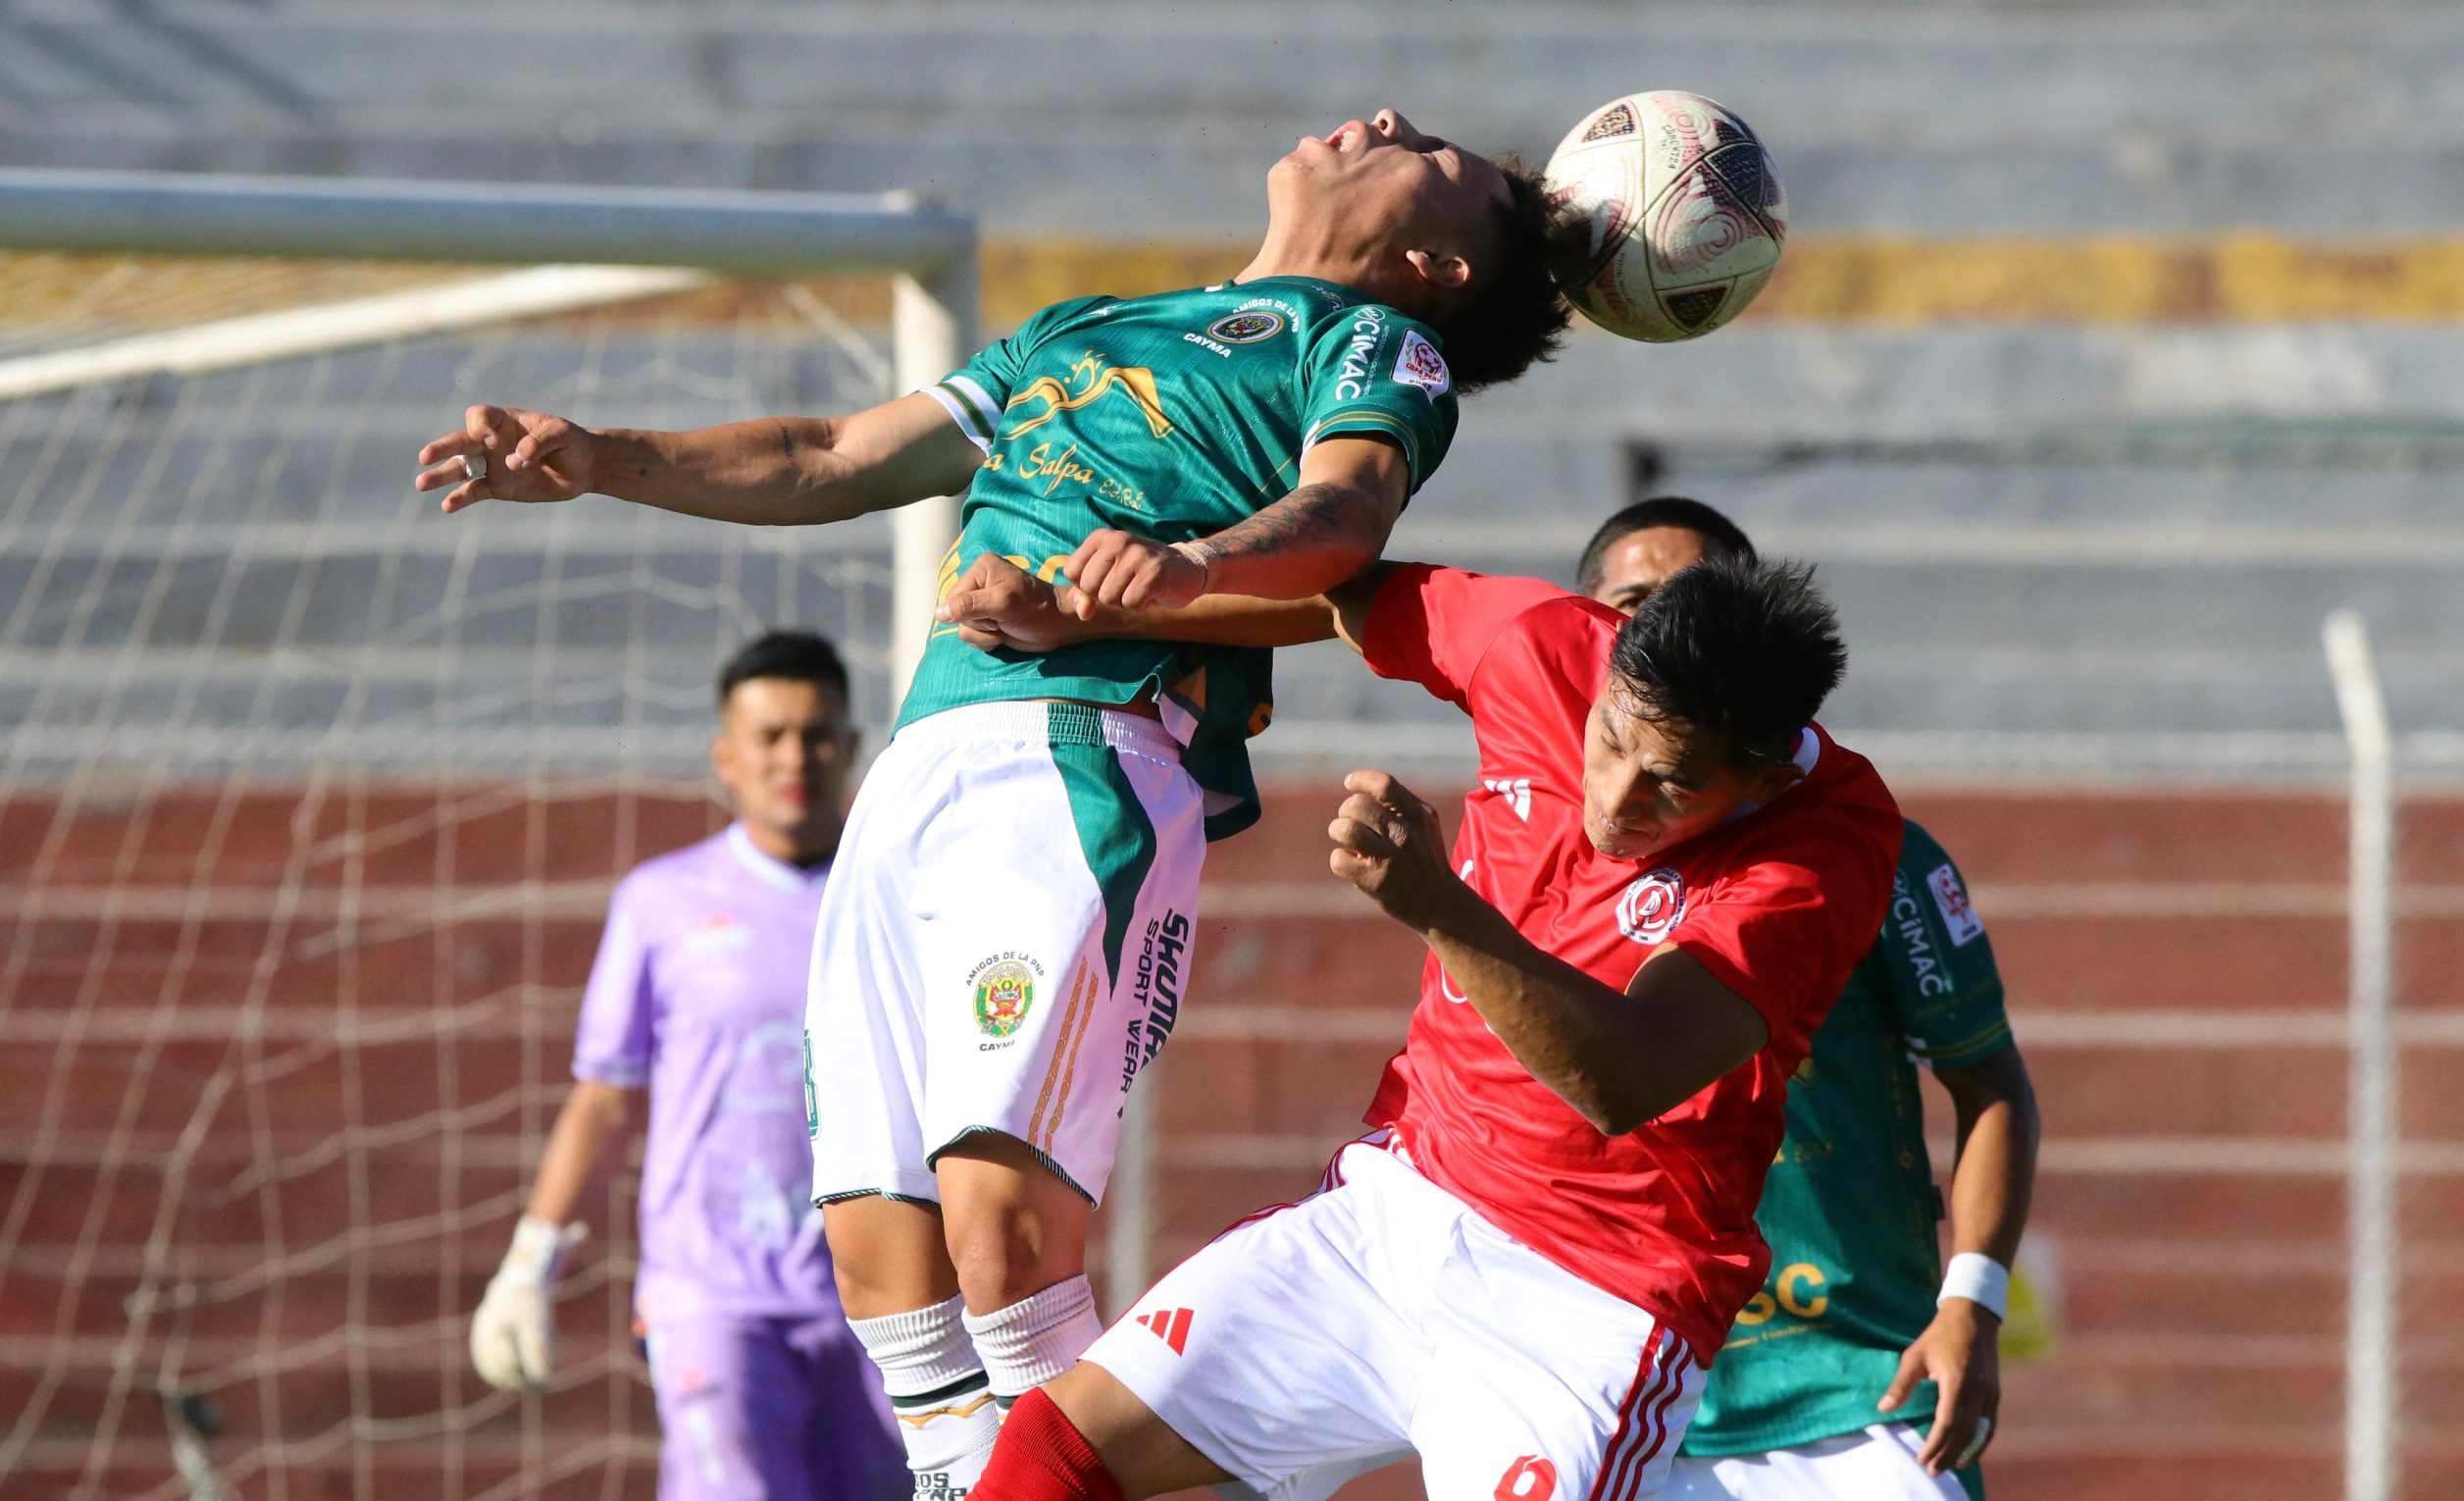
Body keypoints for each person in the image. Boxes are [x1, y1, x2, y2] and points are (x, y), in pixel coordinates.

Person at [420, 107, 1575, 1497]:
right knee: (876, 1244)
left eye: (1434, 152)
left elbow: (1345, 523)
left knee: (1001, 1226)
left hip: (1086, 758)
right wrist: (605, 456)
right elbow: (836, 455)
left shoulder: (1375, 347)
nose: (1385, 119)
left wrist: (1180, 564)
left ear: (1437, 266)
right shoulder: (1082, 323)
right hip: (920, 762)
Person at [936, 551, 1900, 1501]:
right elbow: (1338, 588)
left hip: (1588, 1296)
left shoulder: (1825, 847)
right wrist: (1076, 612)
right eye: (1610, 743)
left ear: (1763, 783)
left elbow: (1627, 1077)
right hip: (1396, 1208)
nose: (1616, 801)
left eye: (1673, 785)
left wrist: (1439, 904)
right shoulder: (1544, 644)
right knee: (1059, 1446)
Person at [1571, 498, 2044, 1501]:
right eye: (1630, 604)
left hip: (1855, 1394)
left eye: (1688, 601)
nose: (1661, 629)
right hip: (1618, 1395)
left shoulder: (1861, 860)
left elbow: (1988, 1079)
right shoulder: (1538, 855)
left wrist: (1973, 1302)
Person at [468, 632, 907, 1500]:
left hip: (884, 1299)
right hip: (711, 1294)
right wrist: (530, 1263)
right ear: (726, 757)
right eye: (770, 736)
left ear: (851, 748)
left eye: (816, 734)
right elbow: (604, 1101)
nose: (795, 758)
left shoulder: (904, 896)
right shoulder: (659, 904)